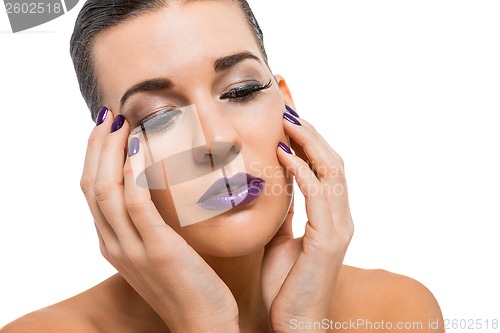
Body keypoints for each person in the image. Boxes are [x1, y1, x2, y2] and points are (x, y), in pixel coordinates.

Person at [1, 1, 444, 332]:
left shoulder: (394, 312)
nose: (215, 142)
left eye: (241, 90)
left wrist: (302, 323)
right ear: (108, 156)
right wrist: (205, 323)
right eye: (157, 117)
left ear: (286, 106)